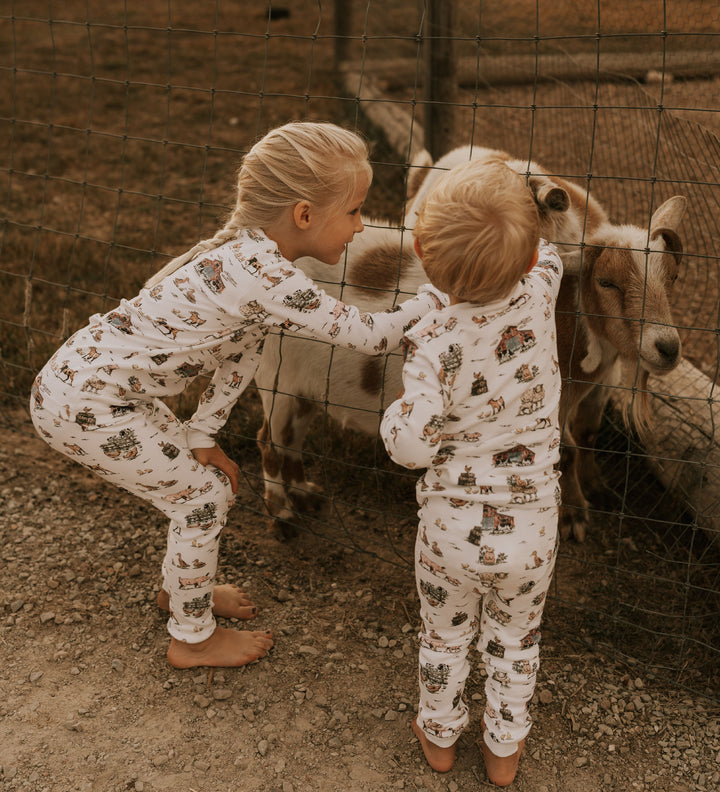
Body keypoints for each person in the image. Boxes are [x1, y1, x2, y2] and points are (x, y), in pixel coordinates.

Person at [30, 121, 446, 670]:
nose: (361, 225)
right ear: (304, 215)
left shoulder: (249, 261)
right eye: (353, 211)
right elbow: (370, 334)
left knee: (210, 488)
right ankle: (192, 639)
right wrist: (440, 292)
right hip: (85, 406)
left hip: (96, 392)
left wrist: (202, 436)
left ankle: (180, 594)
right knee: (200, 499)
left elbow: (238, 358)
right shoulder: (269, 278)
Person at [380, 157, 563, 787]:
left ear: (423, 252)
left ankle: (438, 735)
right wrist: (519, 180)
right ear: (532, 248)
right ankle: (504, 751)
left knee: (445, 639)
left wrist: (395, 418)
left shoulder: (434, 340)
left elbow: (409, 447)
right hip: (533, 528)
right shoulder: (541, 297)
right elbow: (551, 253)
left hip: (451, 535)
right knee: (515, 642)